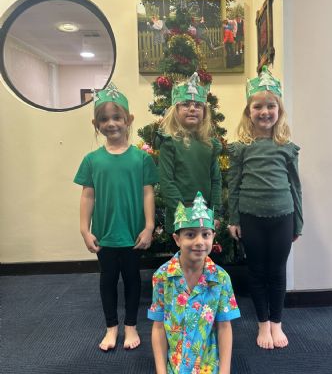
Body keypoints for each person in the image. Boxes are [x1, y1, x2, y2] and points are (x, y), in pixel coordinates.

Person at [74, 83, 158, 351]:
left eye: (117, 117)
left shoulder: (141, 159)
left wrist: (149, 226)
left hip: (133, 233)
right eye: (104, 119)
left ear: (128, 120)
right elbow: (88, 196)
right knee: (107, 280)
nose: (111, 123)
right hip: (105, 234)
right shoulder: (92, 160)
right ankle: (111, 327)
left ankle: (131, 325)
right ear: (96, 124)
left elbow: (148, 193)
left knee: (132, 279)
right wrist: (84, 230)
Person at [227, 66, 303, 350]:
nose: (264, 112)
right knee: (257, 271)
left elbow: (295, 187)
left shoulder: (287, 147)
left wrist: (298, 222)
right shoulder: (241, 148)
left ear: (279, 110)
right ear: (248, 112)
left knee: (278, 271)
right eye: (257, 106)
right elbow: (234, 185)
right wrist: (233, 218)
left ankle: (276, 322)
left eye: (271, 106)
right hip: (251, 217)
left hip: (283, 217)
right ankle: (262, 323)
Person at [148, 192, 241, 374]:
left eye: (206, 234)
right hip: (176, 366)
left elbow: (224, 327)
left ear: (213, 237)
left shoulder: (221, 278)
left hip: (208, 366)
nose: (199, 242)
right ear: (177, 239)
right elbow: (158, 327)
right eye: (190, 235)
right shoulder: (162, 277)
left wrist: (225, 371)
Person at [158, 72, 222, 239]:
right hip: (180, 215)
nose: (192, 108)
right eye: (186, 104)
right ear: (176, 110)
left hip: (205, 214)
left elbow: (216, 180)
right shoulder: (169, 143)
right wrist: (182, 212)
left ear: (204, 112)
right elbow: (166, 181)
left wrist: (215, 211)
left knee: (202, 252)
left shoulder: (210, 145)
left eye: (198, 105)